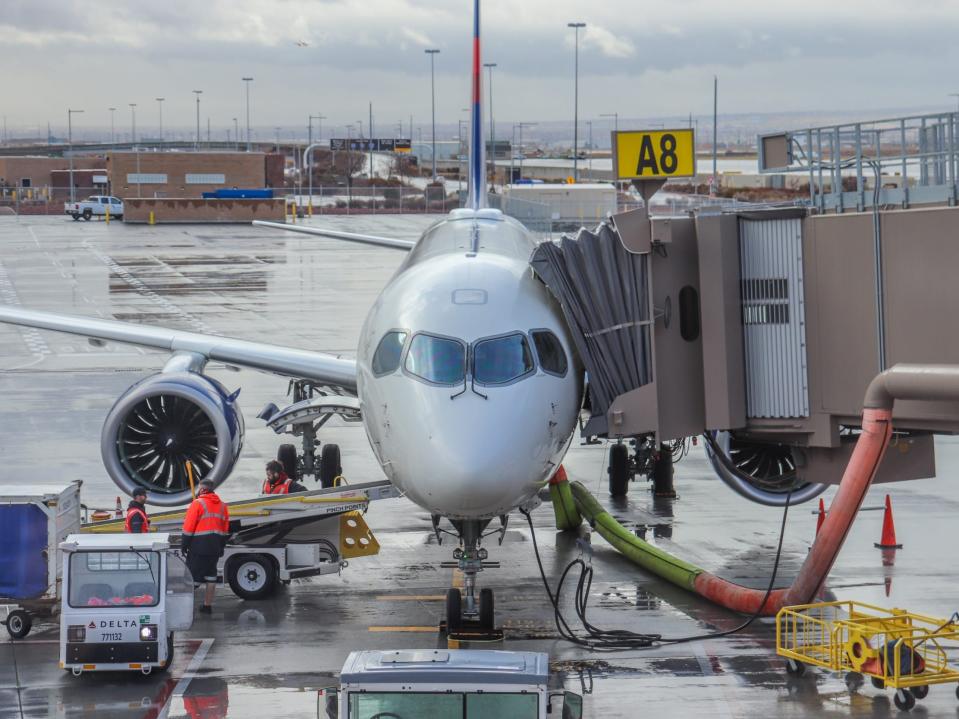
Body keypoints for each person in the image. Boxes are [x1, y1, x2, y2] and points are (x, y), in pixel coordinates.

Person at [181, 479, 230, 614]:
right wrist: (221, 546)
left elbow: (188, 527)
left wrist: (184, 544)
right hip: (215, 547)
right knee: (211, 576)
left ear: (202, 490)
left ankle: (185, 607)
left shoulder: (197, 503)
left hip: (199, 547)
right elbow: (225, 529)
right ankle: (207, 606)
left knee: (192, 578)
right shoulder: (222, 506)